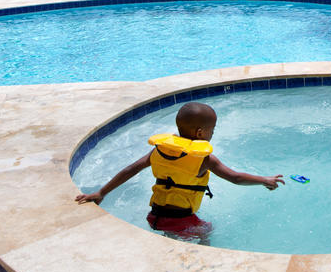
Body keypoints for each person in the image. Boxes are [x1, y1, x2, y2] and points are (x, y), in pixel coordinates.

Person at [75, 102, 283, 239]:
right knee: (207, 231)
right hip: (183, 222)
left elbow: (131, 169)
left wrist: (101, 192)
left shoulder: (160, 151)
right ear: (200, 132)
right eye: (213, 129)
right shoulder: (204, 159)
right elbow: (236, 178)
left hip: (154, 216)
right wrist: (264, 179)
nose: (213, 132)